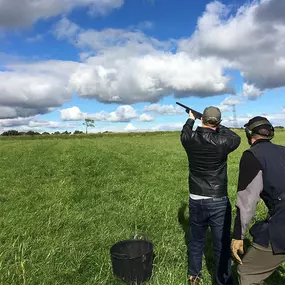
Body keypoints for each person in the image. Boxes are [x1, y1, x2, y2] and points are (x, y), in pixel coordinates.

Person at [181, 106, 241, 285]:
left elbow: (185, 131)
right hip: (217, 199)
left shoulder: (189, 139)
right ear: (218, 122)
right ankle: (224, 280)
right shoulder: (223, 142)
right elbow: (236, 138)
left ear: (202, 120)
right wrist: (219, 125)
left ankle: (194, 276)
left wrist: (191, 118)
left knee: (196, 240)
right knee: (221, 244)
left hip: (196, 197)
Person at [231, 116, 285, 285]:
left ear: (249, 135)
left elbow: (247, 200)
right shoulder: (283, 150)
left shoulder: (251, 156)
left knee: (246, 272)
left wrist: (238, 236)